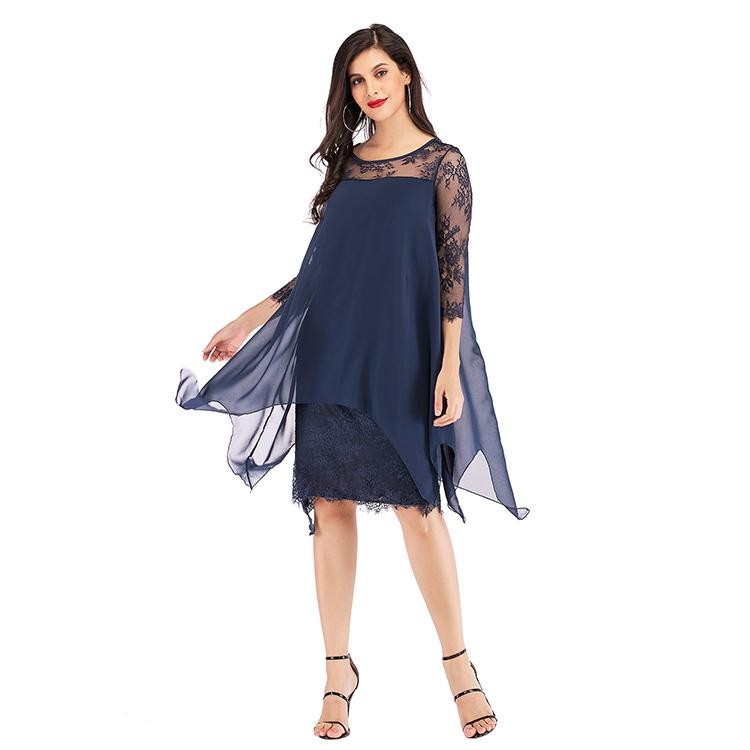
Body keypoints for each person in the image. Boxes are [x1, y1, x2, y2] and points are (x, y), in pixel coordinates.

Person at [176, 23, 530, 740]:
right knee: (329, 504)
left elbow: (454, 277)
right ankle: (337, 672)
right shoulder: (349, 167)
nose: (370, 90)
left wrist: (448, 367)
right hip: (333, 352)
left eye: (380, 74)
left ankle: (459, 667)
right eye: (357, 81)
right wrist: (250, 317)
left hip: (403, 357)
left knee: (418, 510)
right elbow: (322, 273)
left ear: (406, 75)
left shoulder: (443, 165)